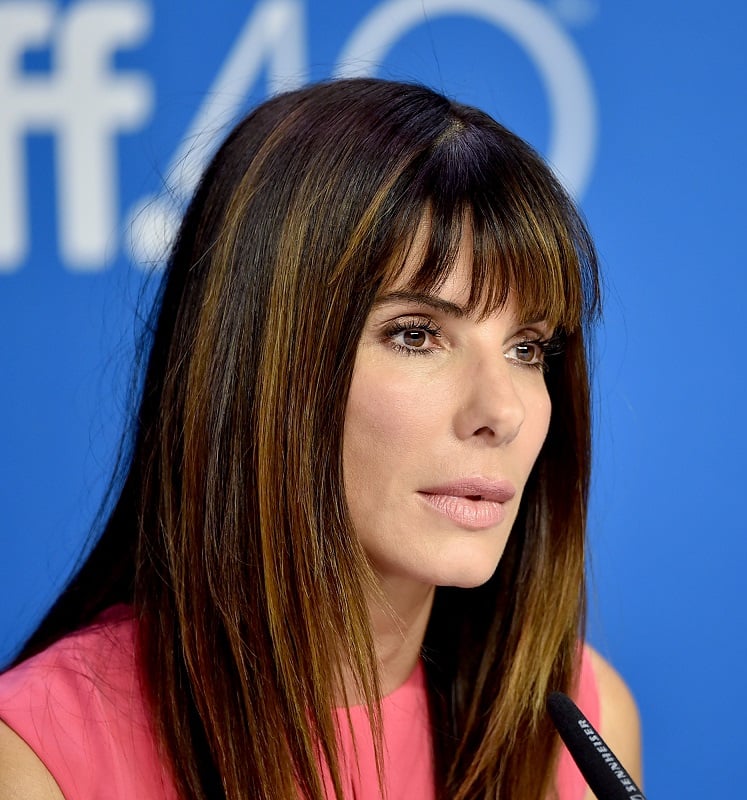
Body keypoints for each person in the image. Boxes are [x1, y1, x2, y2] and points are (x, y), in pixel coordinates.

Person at [0, 78, 641, 800]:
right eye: (418, 334)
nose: (504, 411)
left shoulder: (583, 725)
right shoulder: (37, 762)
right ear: (259, 366)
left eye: (528, 348)